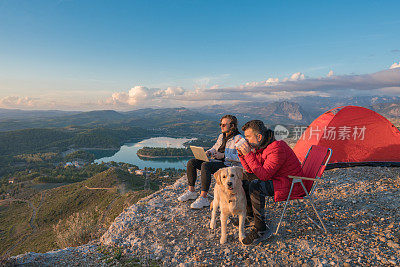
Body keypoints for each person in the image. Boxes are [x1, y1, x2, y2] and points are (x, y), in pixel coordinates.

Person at [236, 120, 305, 245]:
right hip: (279, 179)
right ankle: (251, 217)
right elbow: (250, 169)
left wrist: (248, 154)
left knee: (256, 186)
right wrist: (243, 155)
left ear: (259, 136)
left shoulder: (277, 147)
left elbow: (263, 175)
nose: (246, 140)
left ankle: (261, 229)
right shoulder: (262, 146)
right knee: (244, 179)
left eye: (248, 137)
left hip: (291, 184)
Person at [178, 115, 243, 209]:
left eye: (224, 125)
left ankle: (203, 198)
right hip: (217, 161)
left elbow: (242, 157)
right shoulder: (222, 136)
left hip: (228, 165)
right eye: (220, 124)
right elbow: (215, 147)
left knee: (205, 165)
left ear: (232, 126)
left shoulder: (239, 139)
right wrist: (209, 152)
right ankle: (191, 192)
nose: (221, 126)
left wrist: (224, 156)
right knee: (192, 162)